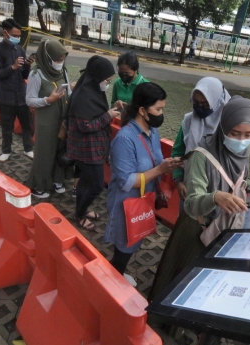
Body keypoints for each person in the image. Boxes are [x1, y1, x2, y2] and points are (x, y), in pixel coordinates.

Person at [148, 96, 250, 302]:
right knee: (178, 282)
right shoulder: (201, 156)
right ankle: (163, 325)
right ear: (223, 127)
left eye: (249, 135)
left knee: (202, 284)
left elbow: (236, 184)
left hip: (223, 228)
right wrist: (214, 197)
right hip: (196, 229)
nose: (242, 140)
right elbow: (191, 203)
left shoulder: (244, 151)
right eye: (235, 133)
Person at [104, 82, 183, 284]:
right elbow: (126, 180)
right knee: (124, 245)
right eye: (158, 109)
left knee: (134, 240)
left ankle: (117, 275)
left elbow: (155, 160)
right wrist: (159, 170)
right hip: (127, 202)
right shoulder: (125, 139)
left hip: (144, 200)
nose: (161, 114)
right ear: (142, 110)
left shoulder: (152, 131)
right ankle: (113, 280)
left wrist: (168, 165)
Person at [66, 55, 119, 230]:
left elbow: (96, 112)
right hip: (85, 149)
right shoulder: (84, 96)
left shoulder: (93, 91)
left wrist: (114, 108)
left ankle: (81, 210)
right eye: (107, 80)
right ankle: (80, 215)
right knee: (96, 185)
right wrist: (108, 116)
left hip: (91, 147)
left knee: (84, 182)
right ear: (96, 77)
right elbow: (85, 125)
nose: (108, 83)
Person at [171, 77, 231, 213]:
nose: (200, 108)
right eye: (196, 103)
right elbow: (178, 152)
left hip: (221, 193)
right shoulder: (188, 121)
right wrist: (179, 180)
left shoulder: (228, 124)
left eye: (205, 104)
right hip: (191, 189)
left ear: (218, 101)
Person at [25, 39, 70, 198]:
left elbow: (68, 91)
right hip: (45, 120)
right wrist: (48, 100)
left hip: (61, 117)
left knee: (59, 148)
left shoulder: (62, 71)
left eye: (62, 60)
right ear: (47, 57)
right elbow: (29, 99)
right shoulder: (37, 73)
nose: (60, 63)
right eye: (57, 60)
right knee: (45, 151)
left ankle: (57, 180)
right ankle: (38, 185)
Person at [0, 18, 35, 162]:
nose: (17, 38)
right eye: (14, 35)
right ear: (5, 33)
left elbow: (24, 75)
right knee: (6, 126)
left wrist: (27, 65)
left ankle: (28, 148)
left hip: (21, 95)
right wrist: (12, 67)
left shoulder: (20, 49)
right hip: (5, 96)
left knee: (27, 125)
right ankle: (6, 150)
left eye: (18, 36)